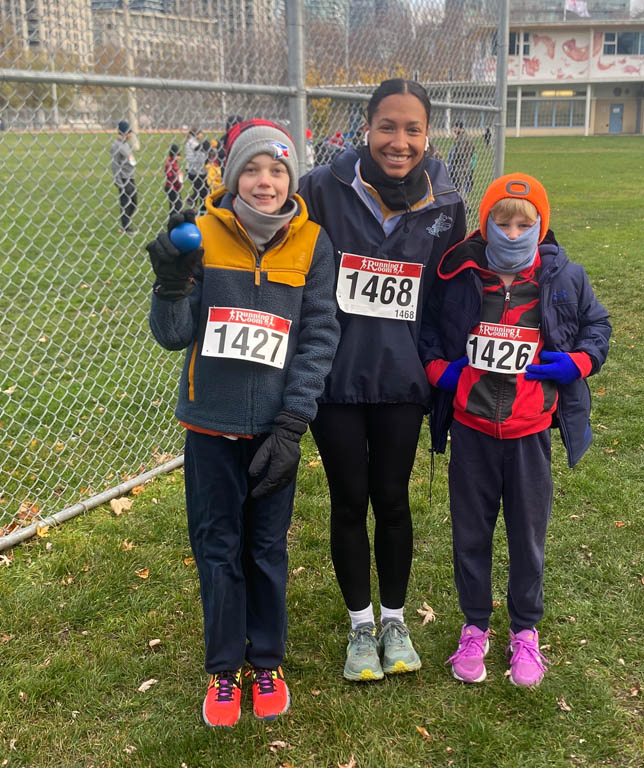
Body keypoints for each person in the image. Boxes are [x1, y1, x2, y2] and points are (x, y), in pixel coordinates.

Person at [146, 120, 340, 727]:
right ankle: (224, 670)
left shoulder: (312, 244)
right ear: (232, 176)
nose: (264, 181)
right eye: (252, 170)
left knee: (264, 548)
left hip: (274, 430)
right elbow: (174, 335)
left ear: (292, 178)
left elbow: (318, 336)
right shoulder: (201, 234)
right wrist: (171, 284)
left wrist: (292, 424)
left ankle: (267, 661)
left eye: (277, 170)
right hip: (209, 429)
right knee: (217, 550)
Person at [298, 78, 467, 682]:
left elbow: (452, 292)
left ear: (429, 133)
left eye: (413, 129)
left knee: (392, 500)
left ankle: (394, 620)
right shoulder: (321, 187)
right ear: (366, 127)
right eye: (388, 126)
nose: (400, 141)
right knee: (349, 500)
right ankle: (360, 625)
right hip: (335, 378)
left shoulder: (445, 201)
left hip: (403, 379)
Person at [419, 172, 610, 687]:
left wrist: (579, 363)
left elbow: (598, 327)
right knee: (471, 533)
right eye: (501, 221)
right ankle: (475, 625)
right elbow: (429, 329)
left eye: (524, 222)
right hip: (473, 429)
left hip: (529, 432)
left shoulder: (564, 277)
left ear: (541, 226)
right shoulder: (460, 273)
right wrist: (440, 370)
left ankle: (525, 630)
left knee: (527, 536)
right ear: (485, 223)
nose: (511, 231)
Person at [110, 119, 138, 234]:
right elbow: (115, 165)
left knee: (134, 203)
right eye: (130, 132)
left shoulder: (125, 144)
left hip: (131, 177)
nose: (131, 135)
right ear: (124, 133)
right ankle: (126, 228)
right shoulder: (116, 146)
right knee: (125, 203)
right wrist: (119, 182)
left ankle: (126, 223)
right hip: (123, 179)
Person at [447, 121, 477, 198]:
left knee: (458, 189)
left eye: (454, 127)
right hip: (464, 165)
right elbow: (472, 149)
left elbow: (458, 152)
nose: (453, 129)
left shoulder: (462, 138)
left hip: (459, 166)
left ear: (458, 128)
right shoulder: (465, 136)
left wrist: (452, 162)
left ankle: (465, 207)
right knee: (458, 188)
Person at [184, 127, 207, 210]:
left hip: (197, 170)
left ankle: (193, 203)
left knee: (200, 189)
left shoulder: (194, 141)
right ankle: (194, 204)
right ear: (196, 134)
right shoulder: (192, 142)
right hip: (193, 170)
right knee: (201, 190)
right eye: (200, 133)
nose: (201, 135)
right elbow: (198, 149)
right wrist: (204, 148)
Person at [164, 143, 184, 213]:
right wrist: (179, 178)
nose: (180, 157)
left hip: (173, 187)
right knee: (177, 206)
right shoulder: (172, 164)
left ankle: (173, 220)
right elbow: (172, 178)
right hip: (172, 188)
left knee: (176, 206)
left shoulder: (172, 162)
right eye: (178, 155)